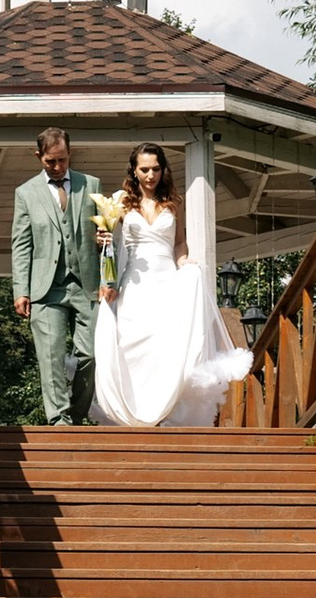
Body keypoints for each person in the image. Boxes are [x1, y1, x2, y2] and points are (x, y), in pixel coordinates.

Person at [89, 143, 255, 430]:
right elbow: (107, 244)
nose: (150, 175)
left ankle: (166, 412)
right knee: (133, 344)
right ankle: (137, 412)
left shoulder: (172, 203)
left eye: (155, 169)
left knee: (167, 347)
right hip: (135, 285)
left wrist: (185, 263)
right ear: (134, 171)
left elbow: (178, 243)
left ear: (163, 169)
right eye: (144, 169)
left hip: (167, 281)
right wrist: (102, 243)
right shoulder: (121, 204)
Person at [9, 124, 103, 423]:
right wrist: (20, 290)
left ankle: (76, 413)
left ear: (70, 153)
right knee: (50, 357)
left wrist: (104, 238)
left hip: (86, 283)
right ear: (39, 157)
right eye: (51, 161)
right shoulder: (25, 193)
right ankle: (59, 421)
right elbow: (21, 245)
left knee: (91, 355)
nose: (58, 166)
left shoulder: (92, 185)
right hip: (45, 289)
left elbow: (102, 231)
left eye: (62, 159)